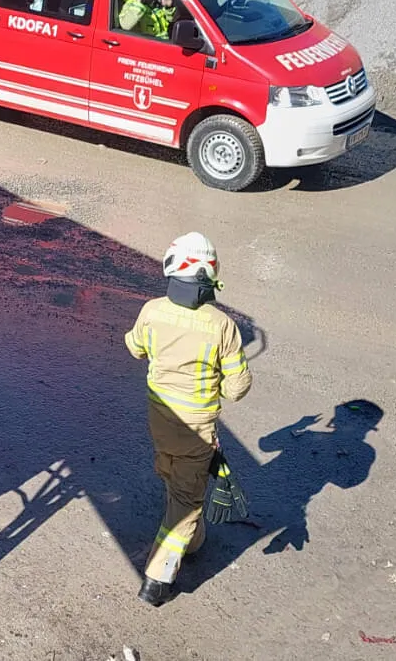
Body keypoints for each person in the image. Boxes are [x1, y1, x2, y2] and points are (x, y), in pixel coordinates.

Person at [124, 232, 250, 606]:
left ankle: (192, 539)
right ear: (210, 275)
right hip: (197, 427)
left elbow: (134, 347)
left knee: (173, 472)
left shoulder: (152, 310)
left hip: (160, 419)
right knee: (186, 501)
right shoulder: (222, 325)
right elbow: (237, 388)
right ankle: (157, 578)